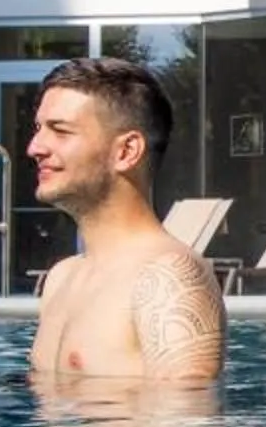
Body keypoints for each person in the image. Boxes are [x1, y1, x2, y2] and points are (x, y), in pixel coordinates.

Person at [26, 56, 226, 384]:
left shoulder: (168, 279)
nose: (35, 147)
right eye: (38, 130)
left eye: (60, 131)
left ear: (126, 151)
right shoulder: (62, 277)